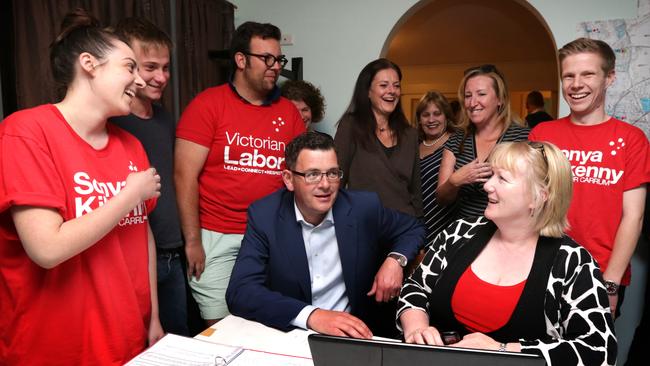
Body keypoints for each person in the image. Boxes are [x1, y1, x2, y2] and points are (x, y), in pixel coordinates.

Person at [0, 9, 163, 364]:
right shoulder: (26, 131)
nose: (138, 81)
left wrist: (153, 317)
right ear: (89, 64)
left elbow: (142, 233)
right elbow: (47, 248)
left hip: (127, 336)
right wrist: (129, 195)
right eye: (129, 67)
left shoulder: (131, 145)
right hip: (56, 346)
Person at [398, 141, 617, 366]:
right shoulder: (460, 233)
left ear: (539, 196)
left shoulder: (573, 263)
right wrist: (416, 326)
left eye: (502, 179)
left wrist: (503, 350)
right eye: (492, 175)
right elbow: (416, 288)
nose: (487, 186)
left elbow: (598, 350)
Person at [226, 132, 425, 338]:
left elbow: (413, 228)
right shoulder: (265, 216)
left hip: (355, 337)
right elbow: (240, 291)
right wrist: (312, 316)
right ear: (289, 179)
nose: (325, 185)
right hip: (292, 334)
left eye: (332, 173)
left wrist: (395, 260)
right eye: (312, 174)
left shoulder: (363, 207)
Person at [174, 21, 305, 326]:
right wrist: (192, 240)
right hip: (217, 234)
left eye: (279, 59)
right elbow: (184, 176)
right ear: (241, 60)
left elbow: (300, 175)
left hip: (270, 234)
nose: (275, 67)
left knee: (269, 322)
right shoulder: (207, 105)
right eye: (267, 59)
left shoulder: (288, 113)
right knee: (221, 326)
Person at [529, 38, 650, 318]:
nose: (575, 84)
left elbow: (634, 217)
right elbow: (530, 205)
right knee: (534, 358)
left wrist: (610, 284)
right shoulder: (542, 134)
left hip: (600, 275)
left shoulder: (631, 139)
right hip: (541, 268)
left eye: (587, 74)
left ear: (609, 78)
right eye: (568, 75)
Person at [111, 17, 188, 336]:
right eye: (150, 67)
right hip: (133, 256)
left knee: (177, 341)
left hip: (172, 253)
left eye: (166, 68)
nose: (161, 77)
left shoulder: (165, 118)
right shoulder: (115, 121)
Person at [437, 64, 529, 221]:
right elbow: (441, 199)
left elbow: (531, 194)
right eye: (468, 96)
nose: (472, 103)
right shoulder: (457, 140)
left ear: (500, 99)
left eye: (481, 94)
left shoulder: (522, 139)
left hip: (505, 232)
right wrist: (455, 180)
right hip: (463, 232)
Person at [334, 58, 422, 218]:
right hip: (363, 223)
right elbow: (336, 177)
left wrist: (419, 229)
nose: (392, 91)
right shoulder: (351, 126)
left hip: (404, 226)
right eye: (383, 85)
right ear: (367, 91)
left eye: (396, 86)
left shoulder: (410, 134)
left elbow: (415, 189)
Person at [417, 91, 457, 246]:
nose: (431, 119)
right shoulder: (413, 146)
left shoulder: (456, 142)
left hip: (447, 223)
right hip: (416, 225)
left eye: (437, 114)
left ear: (446, 116)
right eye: (425, 115)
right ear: (419, 120)